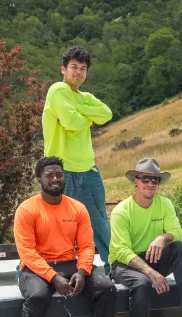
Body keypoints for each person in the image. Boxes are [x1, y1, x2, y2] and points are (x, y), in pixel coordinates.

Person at [14, 157, 117, 317]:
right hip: (36, 268)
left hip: (69, 263)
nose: (55, 179)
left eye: (59, 175)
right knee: (37, 297)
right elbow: (27, 252)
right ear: (39, 179)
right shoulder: (27, 209)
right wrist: (53, 277)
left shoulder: (77, 208)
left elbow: (86, 246)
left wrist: (83, 271)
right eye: (49, 175)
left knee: (106, 288)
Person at [109, 158, 182, 317]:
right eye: (145, 179)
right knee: (142, 282)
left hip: (152, 258)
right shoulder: (121, 211)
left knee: (179, 247)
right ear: (136, 182)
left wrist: (163, 238)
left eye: (154, 179)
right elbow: (121, 250)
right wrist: (150, 272)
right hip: (125, 264)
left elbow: (178, 233)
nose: (150, 183)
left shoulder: (164, 204)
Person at [42, 46, 112, 274]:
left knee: (100, 223)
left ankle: (116, 267)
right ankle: (47, 270)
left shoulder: (85, 97)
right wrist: (89, 118)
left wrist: (79, 109)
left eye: (83, 68)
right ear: (63, 69)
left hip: (89, 170)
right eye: (74, 67)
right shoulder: (58, 89)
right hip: (60, 171)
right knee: (57, 223)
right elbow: (72, 123)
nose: (79, 72)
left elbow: (107, 114)